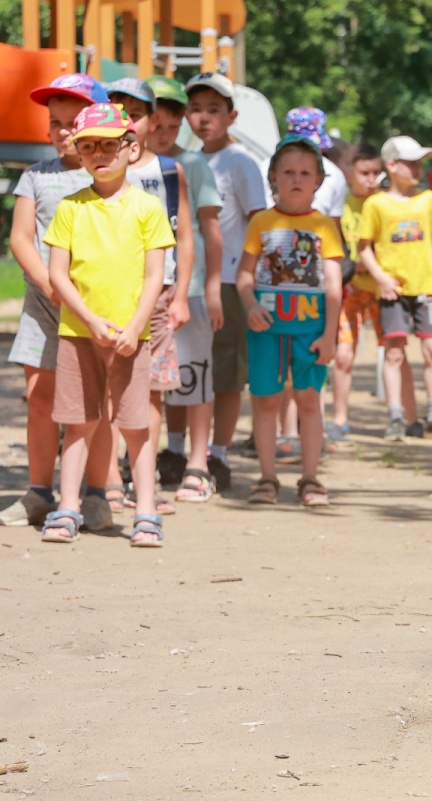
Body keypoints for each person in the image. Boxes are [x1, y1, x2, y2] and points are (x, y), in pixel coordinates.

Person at [40, 103, 176, 546]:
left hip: (131, 337)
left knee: (137, 425)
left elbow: (156, 275)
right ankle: (68, 508)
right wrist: (90, 320)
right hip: (78, 335)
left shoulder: (148, 207)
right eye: (88, 146)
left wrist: (136, 327)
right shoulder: (69, 208)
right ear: (78, 153)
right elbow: (58, 274)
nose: (99, 154)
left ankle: (147, 512)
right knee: (78, 423)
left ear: (131, 149)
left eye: (108, 145)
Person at [1, 74, 114, 530]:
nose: (64, 131)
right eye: (55, 122)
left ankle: (97, 494)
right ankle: (39, 492)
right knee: (39, 397)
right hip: (44, 309)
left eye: (74, 122)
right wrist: (49, 283)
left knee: (97, 403)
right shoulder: (35, 175)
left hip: (98, 310)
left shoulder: (108, 177)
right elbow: (22, 239)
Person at [236, 136, 343, 507]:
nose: (296, 179)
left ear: (317, 181)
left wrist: (330, 336)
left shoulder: (325, 226)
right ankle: (267, 478)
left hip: (310, 332)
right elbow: (244, 275)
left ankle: (310, 478)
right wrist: (250, 304)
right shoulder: (261, 222)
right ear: (274, 178)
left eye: (305, 173)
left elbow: (333, 284)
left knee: (309, 401)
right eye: (288, 172)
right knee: (265, 402)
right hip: (267, 330)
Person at [107, 77, 196, 513]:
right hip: (107, 296)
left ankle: (145, 478)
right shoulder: (98, 170)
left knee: (153, 390)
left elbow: (186, 236)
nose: (124, 122)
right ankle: (106, 482)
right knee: (107, 390)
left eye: (135, 114)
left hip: (157, 298)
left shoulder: (167, 171)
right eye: (115, 111)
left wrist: (181, 295)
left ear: (152, 120)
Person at [185, 72, 269, 492]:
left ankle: (219, 452)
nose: (204, 118)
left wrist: (250, 281)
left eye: (214, 110)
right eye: (197, 109)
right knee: (190, 368)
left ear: (231, 116)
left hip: (232, 282)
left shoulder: (241, 163)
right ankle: (180, 449)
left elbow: (258, 223)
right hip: (190, 282)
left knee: (227, 373)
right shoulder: (185, 159)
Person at [144, 75, 224, 503]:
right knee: (155, 380)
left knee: (197, 374)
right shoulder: (128, 166)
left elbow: (210, 230)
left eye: (172, 126)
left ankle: (198, 461)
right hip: (139, 291)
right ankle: (154, 459)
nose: (163, 133)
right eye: (155, 123)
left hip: (187, 288)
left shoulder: (192, 166)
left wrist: (211, 288)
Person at [359, 135, 432, 441]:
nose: (417, 168)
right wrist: (381, 278)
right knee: (394, 354)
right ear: (391, 165)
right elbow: (364, 248)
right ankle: (395, 417)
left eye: (420, 162)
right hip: (393, 290)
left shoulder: (428, 199)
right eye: (410, 162)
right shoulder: (375, 203)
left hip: (427, 287)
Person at [267, 108, 349, 462]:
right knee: (280, 373)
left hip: (317, 283)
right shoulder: (270, 173)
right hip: (278, 285)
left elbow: (334, 225)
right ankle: (287, 433)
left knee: (312, 370)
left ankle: (311, 435)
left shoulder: (336, 176)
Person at [328, 141, 388, 443]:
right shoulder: (340, 205)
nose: (372, 180)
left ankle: (397, 416)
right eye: (365, 172)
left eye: (377, 172)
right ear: (350, 171)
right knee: (344, 354)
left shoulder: (388, 203)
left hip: (382, 290)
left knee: (393, 353)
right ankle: (339, 419)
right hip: (350, 290)